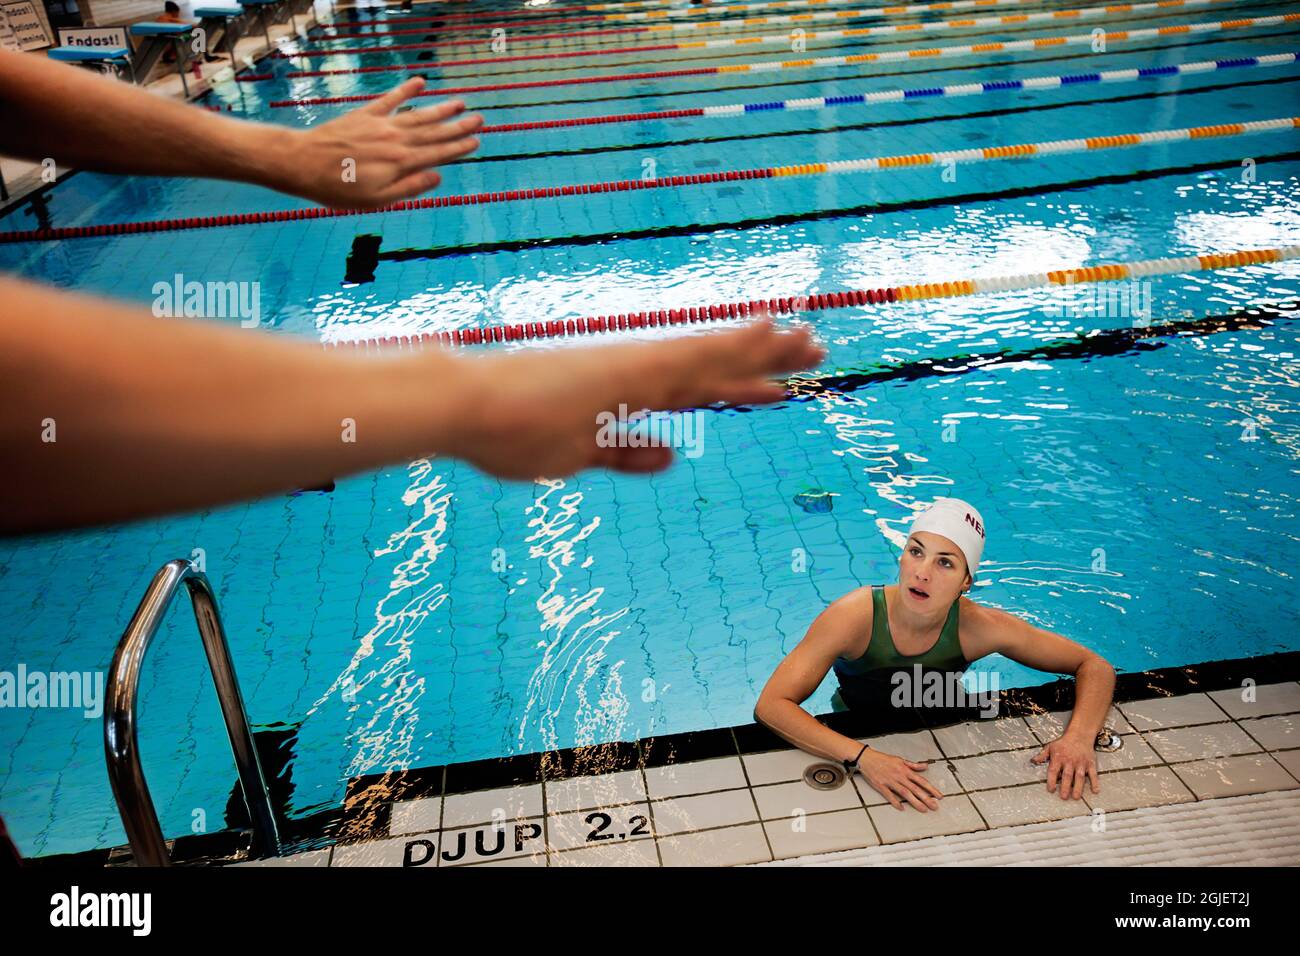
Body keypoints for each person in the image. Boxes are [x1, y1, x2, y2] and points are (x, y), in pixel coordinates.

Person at [755, 498, 1117, 812]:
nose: (922, 573)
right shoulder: (854, 617)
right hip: (859, 717)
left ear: (966, 581)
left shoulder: (980, 627)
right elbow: (772, 705)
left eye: (945, 563)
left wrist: (1079, 738)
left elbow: (1094, 666)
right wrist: (865, 758)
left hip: (945, 715)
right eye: (916, 551)